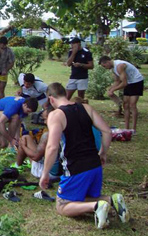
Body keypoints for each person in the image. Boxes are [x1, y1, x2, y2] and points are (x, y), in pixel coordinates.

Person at [40, 82, 129, 229]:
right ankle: (111, 200)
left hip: (75, 168)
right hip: (95, 165)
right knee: (81, 197)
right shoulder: (86, 107)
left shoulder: (56, 115)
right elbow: (107, 131)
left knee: (62, 205)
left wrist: (45, 173)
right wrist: (103, 153)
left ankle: (97, 206)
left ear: (51, 99)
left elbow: (52, 146)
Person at [99, 56, 144, 131]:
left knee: (132, 105)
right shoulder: (113, 68)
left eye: (104, 66)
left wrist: (113, 89)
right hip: (129, 82)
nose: (105, 68)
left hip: (136, 81)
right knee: (125, 105)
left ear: (107, 62)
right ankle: (126, 128)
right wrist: (110, 89)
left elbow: (124, 83)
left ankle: (134, 129)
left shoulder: (119, 66)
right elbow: (117, 81)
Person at [15, 105, 60, 180]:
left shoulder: (48, 135)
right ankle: (18, 164)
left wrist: (23, 146)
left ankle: (17, 165)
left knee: (24, 139)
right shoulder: (66, 129)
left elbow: (36, 157)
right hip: (65, 171)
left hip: (50, 174)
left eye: (45, 119)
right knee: (27, 138)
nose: (45, 122)